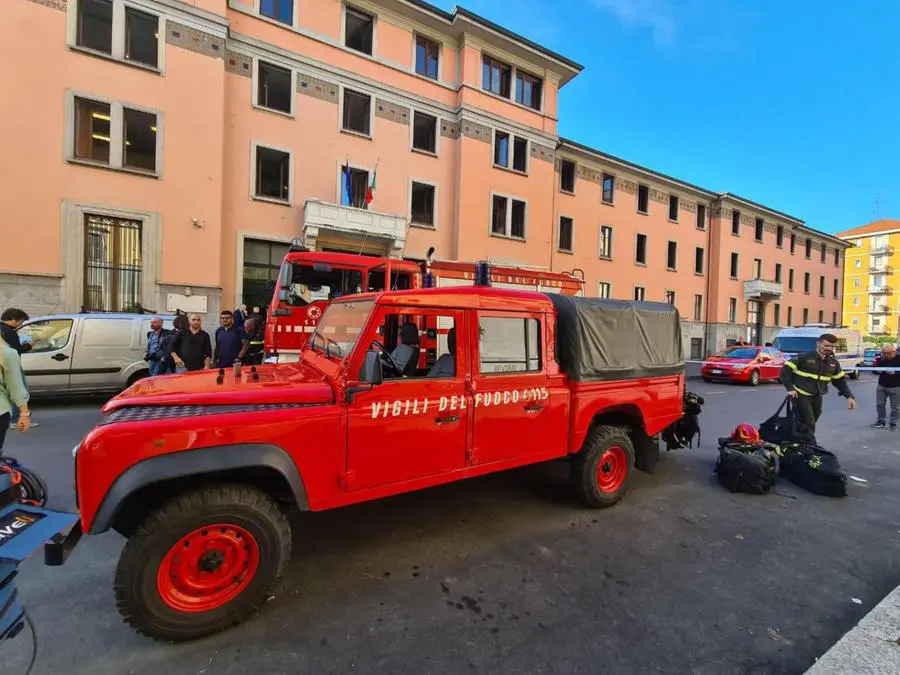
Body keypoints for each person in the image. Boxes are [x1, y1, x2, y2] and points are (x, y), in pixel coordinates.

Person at [780, 332, 856, 442]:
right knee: (808, 421)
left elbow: (840, 381)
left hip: (817, 395)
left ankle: (792, 441)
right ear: (818, 344)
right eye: (826, 345)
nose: (829, 348)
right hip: (800, 394)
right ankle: (809, 445)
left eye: (832, 346)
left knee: (807, 420)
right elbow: (784, 372)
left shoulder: (833, 362)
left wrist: (849, 397)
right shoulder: (803, 357)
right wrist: (790, 389)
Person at [1, 308, 38, 430]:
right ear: (13, 320)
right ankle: (17, 418)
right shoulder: (8, 332)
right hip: (10, 366)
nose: (21, 324)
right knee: (21, 389)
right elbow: (15, 350)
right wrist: (28, 346)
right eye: (21, 321)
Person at [0, 338, 32, 457]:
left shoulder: (6, 353)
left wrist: (24, 414)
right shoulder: (6, 353)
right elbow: (16, 385)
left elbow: (16, 386)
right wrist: (24, 414)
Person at [871, 343, 900, 431]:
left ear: (894, 352)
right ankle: (881, 421)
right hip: (882, 385)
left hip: (896, 386)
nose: (886, 355)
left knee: (895, 407)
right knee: (880, 405)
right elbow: (874, 370)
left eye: (888, 353)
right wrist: (877, 371)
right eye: (884, 353)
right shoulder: (882, 359)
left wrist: (895, 373)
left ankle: (893, 423)